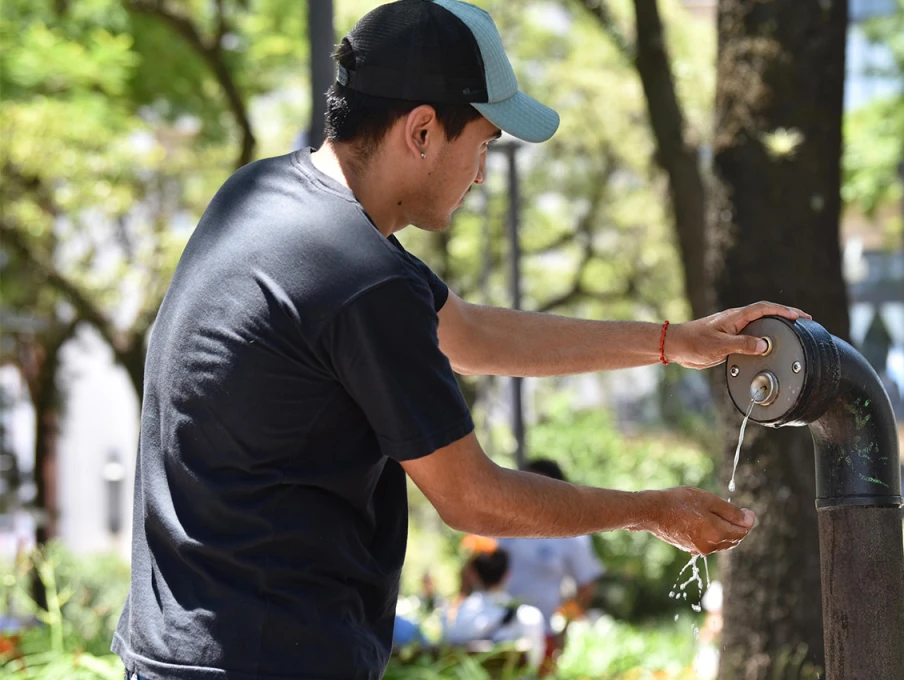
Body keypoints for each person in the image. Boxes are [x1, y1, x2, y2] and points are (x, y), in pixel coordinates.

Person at [111, 1, 807, 678]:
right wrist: (648, 512)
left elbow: (466, 332)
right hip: (266, 659)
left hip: (175, 647)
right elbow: (471, 497)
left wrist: (673, 341)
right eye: (482, 143)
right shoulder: (360, 277)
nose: (480, 174)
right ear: (421, 131)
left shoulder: (263, 198)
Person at [497, 460, 605, 671]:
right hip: (494, 634)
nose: (526, 491)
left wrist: (563, 630)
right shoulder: (501, 523)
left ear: (554, 489)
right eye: (523, 483)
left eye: (535, 485)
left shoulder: (572, 535)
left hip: (542, 635)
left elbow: (586, 586)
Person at [442, 548, 546, 670]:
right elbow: (534, 663)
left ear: (473, 574)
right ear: (507, 575)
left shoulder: (454, 616)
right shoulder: (529, 617)